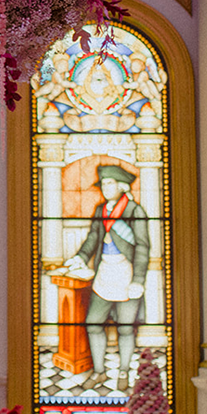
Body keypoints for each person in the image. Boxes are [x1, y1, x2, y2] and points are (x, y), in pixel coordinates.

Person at [59, 164, 150, 391]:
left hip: (127, 273)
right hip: (104, 273)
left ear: (121, 185)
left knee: (126, 328)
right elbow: (93, 238)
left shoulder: (134, 211)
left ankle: (123, 372)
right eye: (104, 184)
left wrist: (138, 279)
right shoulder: (101, 210)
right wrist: (80, 257)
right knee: (93, 323)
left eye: (110, 184)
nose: (105, 189)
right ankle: (99, 372)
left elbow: (142, 247)